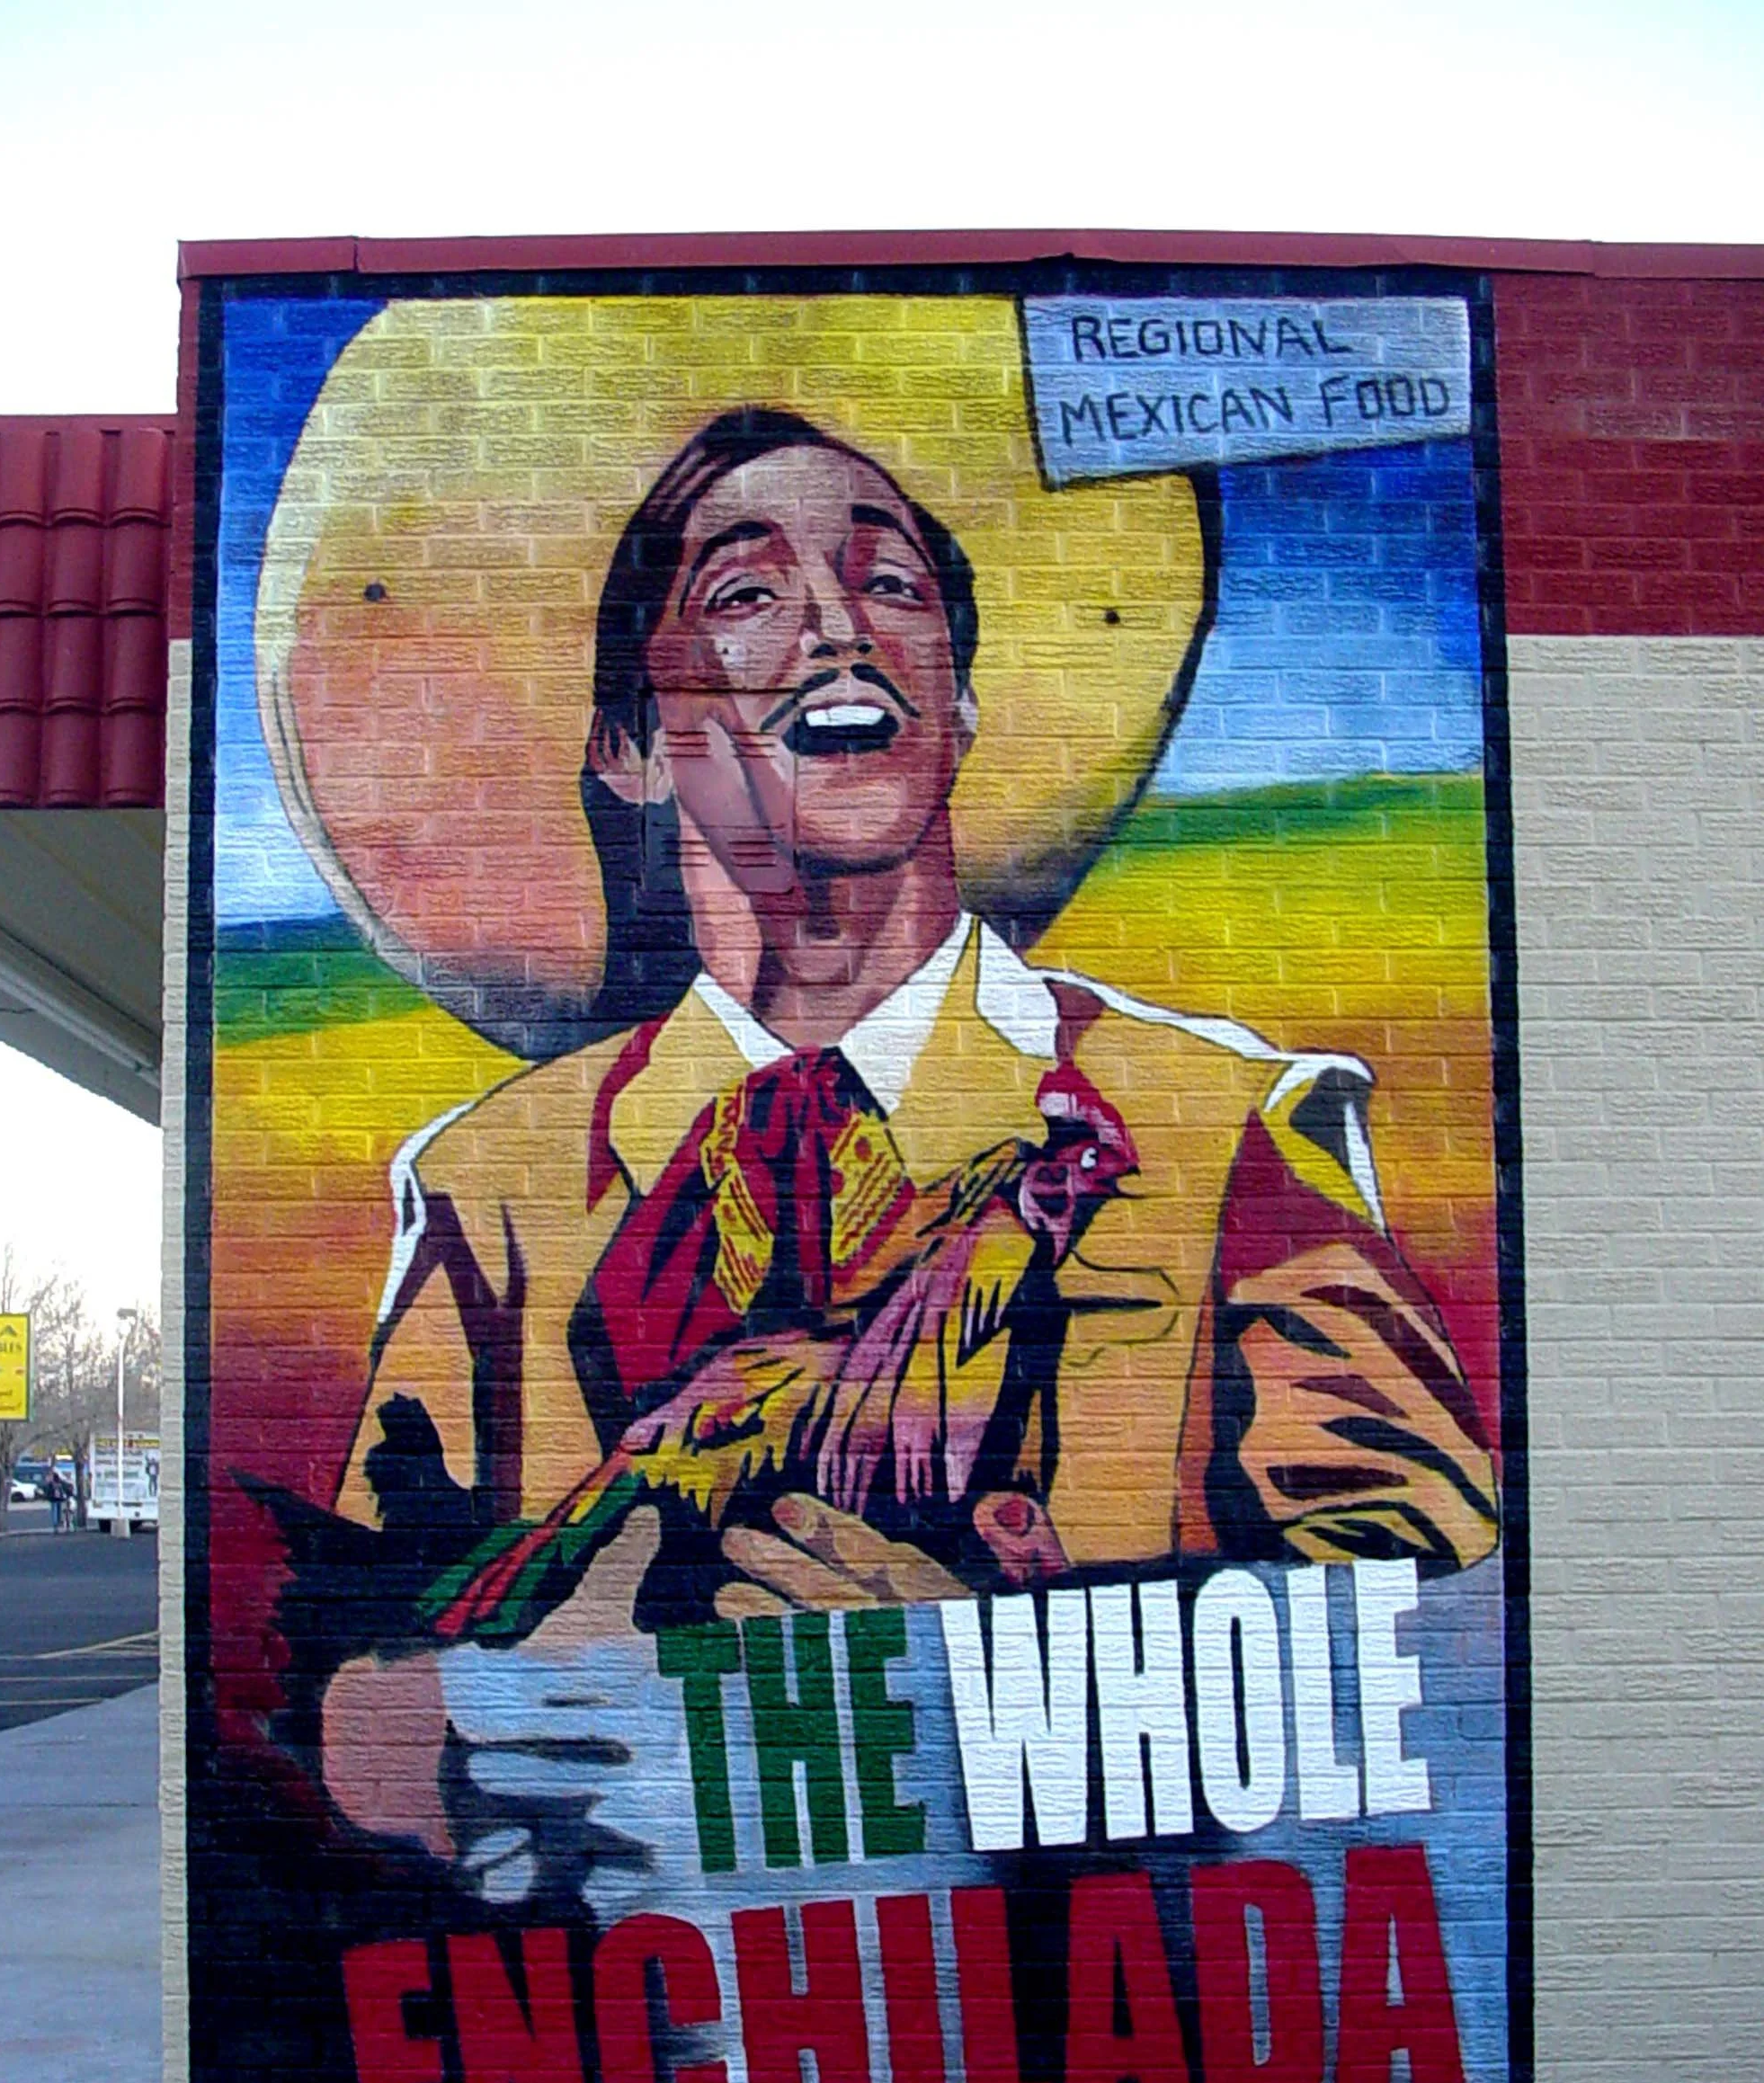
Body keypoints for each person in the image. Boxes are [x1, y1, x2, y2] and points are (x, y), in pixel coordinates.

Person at [315, 406, 1497, 1875]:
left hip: (1065, 1992)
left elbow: (1435, 1651)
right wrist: (525, 1708)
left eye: (891, 585)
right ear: (633, 744)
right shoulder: (492, 1189)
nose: (839, 627)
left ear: (962, 703)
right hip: (652, 1998)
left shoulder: (1216, 1129)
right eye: (746, 593)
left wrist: (990, 1690)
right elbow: (349, 1683)